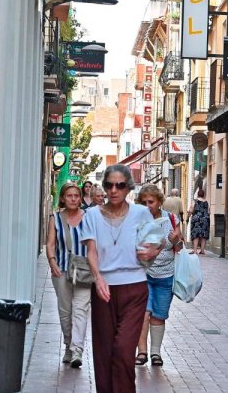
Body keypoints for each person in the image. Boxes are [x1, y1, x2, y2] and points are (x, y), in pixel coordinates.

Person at [81, 165, 162, 392]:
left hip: (135, 287)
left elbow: (159, 240)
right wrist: (97, 278)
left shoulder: (141, 213)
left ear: (128, 188)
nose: (114, 190)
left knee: (124, 351)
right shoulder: (92, 215)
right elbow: (91, 250)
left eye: (120, 185)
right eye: (109, 185)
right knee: (104, 351)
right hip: (104, 288)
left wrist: (154, 251)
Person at [135, 185, 183, 367]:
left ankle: (156, 352)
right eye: (144, 202)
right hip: (143, 274)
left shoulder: (171, 219)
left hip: (166, 275)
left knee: (159, 315)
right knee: (143, 313)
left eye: (151, 202)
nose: (148, 206)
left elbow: (179, 248)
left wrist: (175, 240)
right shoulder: (138, 220)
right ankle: (142, 352)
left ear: (160, 202)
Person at [46, 182, 92, 368]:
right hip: (62, 269)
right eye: (70, 196)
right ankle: (68, 345)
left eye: (76, 196)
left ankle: (77, 350)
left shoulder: (89, 217)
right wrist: (52, 261)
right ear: (63, 198)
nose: (73, 199)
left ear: (80, 198)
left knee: (80, 310)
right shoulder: (55, 219)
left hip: (84, 271)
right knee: (65, 312)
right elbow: (50, 243)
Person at [188, 187, 210, 254]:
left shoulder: (195, 201)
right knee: (204, 234)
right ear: (203, 195)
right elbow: (209, 211)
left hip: (196, 219)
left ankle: (195, 251)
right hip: (205, 219)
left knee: (196, 234)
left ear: (197, 194)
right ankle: (202, 250)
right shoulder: (206, 202)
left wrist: (187, 217)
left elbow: (191, 209)